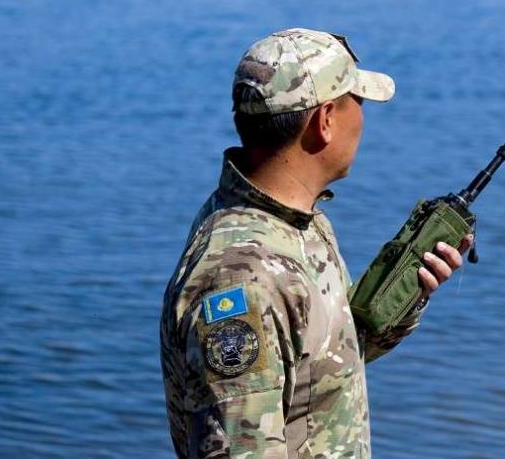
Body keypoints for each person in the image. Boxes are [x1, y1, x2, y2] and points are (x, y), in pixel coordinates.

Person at [161, 28, 471, 459]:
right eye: (356, 101)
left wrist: (409, 291)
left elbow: (328, 361)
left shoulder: (299, 224)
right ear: (325, 121)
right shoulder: (240, 279)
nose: (363, 117)